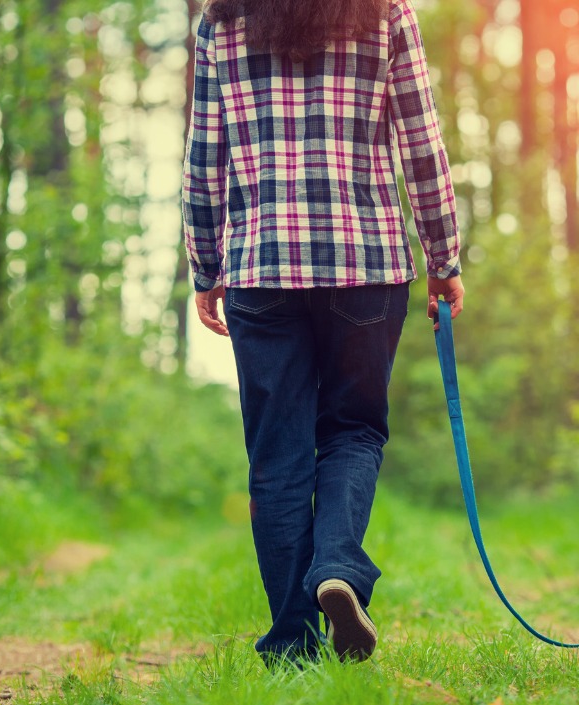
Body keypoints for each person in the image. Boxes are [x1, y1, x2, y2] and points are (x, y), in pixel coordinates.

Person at [182, 0, 465, 667]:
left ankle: (290, 645)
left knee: (276, 457)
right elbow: (420, 143)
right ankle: (337, 565)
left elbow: (204, 157)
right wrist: (443, 257)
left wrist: (205, 266)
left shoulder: (221, 23)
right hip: (363, 264)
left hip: (262, 265)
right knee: (354, 431)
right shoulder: (384, 13)